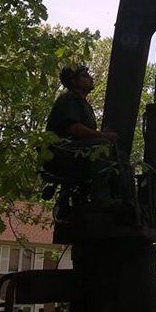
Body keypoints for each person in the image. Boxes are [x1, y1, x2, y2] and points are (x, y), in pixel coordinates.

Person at [44, 65, 121, 209]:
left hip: (75, 151)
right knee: (101, 147)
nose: (91, 78)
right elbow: (74, 128)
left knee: (116, 154)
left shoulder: (84, 104)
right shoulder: (68, 100)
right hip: (60, 152)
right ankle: (100, 198)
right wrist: (103, 135)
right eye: (85, 76)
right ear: (74, 82)